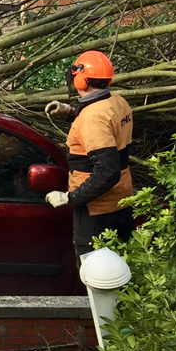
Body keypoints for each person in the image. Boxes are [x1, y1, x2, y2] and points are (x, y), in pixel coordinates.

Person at [44, 51, 134, 260]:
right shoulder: (118, 101)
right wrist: (71, 111)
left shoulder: (93, 118)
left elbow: (107, 171)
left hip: (97, 210)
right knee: (121, 265)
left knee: (94, 271)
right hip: (123, 199)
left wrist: (70, 197)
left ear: (81, 81)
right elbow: (107, 125)